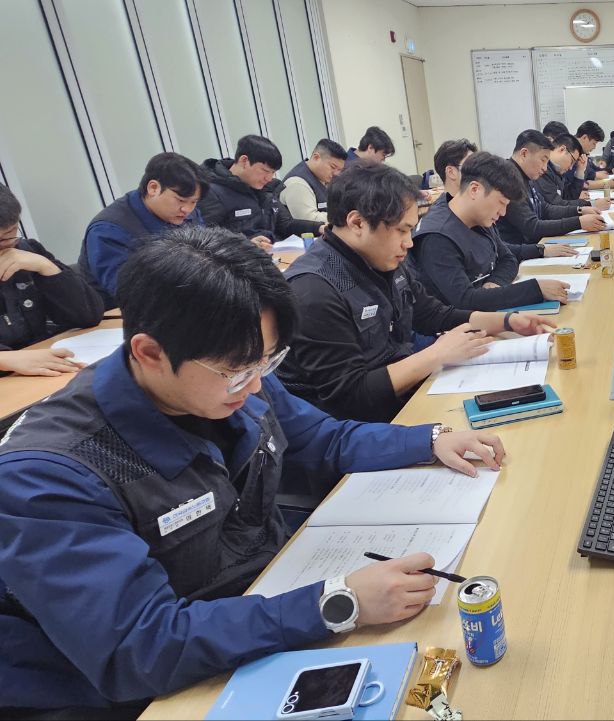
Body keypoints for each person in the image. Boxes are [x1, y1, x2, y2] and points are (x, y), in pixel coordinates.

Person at [0, 224, 506, 716]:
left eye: (267, 362)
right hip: (152, 684)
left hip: (259, 597)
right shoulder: (47, 477)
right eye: (238, 370)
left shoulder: (233, 372)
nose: (257, 385)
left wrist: (429, 438)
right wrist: (339, 601)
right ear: (149, 353)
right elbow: (138, 646)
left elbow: (321, 437)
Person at [279, 161, 555, 425]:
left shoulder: (382, 259)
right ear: (357, 223)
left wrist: (507, 321)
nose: (409, 243)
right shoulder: (314, 290)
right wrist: (436, 355)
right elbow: (350, 396)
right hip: (360, 427)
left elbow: (432, 314)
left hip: (402, 396)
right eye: (402, 230)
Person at [414, 150, 570, 312]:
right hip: (456, 324)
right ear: (475, 190)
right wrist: (534, 290)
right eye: (501, 203)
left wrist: (495, 284)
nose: (503, 213)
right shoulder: (436, 237)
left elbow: (508, 259)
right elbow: (465, 301)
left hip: (486, 313)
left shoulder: (479, 216)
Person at [0, 184, 103, 376]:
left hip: (45, 366)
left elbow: (89, 315)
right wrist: (6, 360)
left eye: (9, 236)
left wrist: (46, 267)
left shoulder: (26, 251)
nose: (5, 247)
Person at [79, 152, 205, 308]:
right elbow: (129, 292)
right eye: (180, 200)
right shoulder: (109, 230)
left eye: (193, 202)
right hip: (122, 313)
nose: (187, 209)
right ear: (153, 188)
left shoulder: (184, 213)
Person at [495, 130, 607, 261]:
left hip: (534, 247)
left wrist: (579, 211)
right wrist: (578, 222)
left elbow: (545, 209)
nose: (545, 168)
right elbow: (532, 227)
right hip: (519, 256)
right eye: (543, 160)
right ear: (524, 153)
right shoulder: (509, 179)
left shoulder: (525, 176)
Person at [199, 135, 323, 250]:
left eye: (273, 173)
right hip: (239, 260)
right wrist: (246, 244)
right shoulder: (211, 192)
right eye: (265, 171)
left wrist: (319, 227)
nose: (269, 178)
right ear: (244, 161)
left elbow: (286, 225)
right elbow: (205, 239)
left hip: (274, 256)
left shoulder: (264, 190)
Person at [535, 134, 610, 212]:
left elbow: (569, 197)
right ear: (562, 149)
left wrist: (580, 171)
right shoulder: (543, 171)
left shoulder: (557, 170)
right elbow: (556, 205)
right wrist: (590, 204)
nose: (571, 167)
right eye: (572, 161)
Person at [279, 138, 347, 223]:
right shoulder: (297, 183)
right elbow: (309, 219)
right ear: (316, 157)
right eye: (333, 167)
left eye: (340, 170)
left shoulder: (323, 178)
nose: (336, 173)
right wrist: (345, 217)